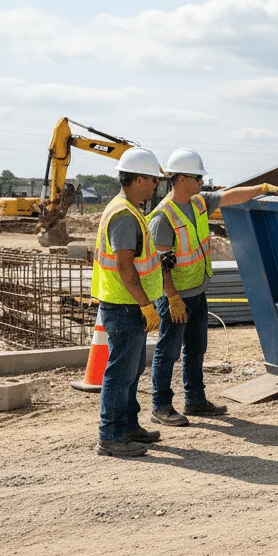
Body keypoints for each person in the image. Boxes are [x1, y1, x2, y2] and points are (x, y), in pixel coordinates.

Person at [147, 148, 278, 427]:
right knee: (168, 352)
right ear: (183, 178)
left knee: (197, 348)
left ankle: (195, 400)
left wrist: (262, 188)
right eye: (198, 177)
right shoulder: (162, 217)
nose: (202, 182)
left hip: (197, 291)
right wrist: (173, 298)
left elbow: (230, 196)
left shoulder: (199, 202)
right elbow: (160, 264)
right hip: (175, 297)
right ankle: (161, 406)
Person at [91, 147, 166, 458]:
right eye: (152, 181)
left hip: (127, 304)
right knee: (120, 373)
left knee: (131, 370)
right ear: (138, 180)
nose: (154, 187)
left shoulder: (128, 209)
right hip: (124, 306)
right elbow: (124, 266)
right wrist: (146, 305)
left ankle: (128, 425)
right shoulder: (124, 216)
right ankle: (110, 435)